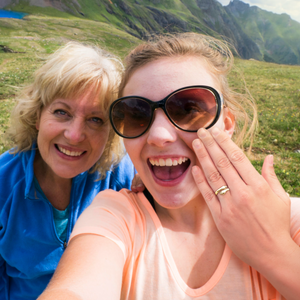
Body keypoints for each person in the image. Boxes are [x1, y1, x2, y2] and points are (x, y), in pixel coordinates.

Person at [38, 33, 300, 300]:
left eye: (189, 109)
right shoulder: (114, 216)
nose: (159, 136)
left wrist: (274, 248)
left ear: (227, 125)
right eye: (137, 115)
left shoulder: (288, 219)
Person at [0, 42, 138, 300]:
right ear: (37, 114)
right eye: (62, 112)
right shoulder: (3, 184)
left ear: (110, 133)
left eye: (96, 120)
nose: (74, 135)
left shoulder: (125, 178)